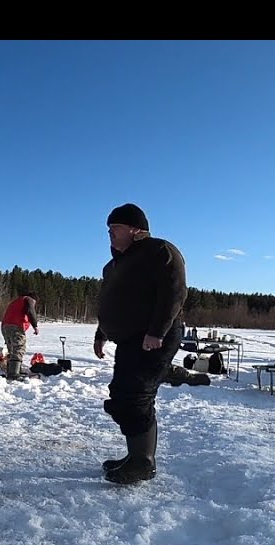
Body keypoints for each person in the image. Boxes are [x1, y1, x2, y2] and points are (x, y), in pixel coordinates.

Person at [92, 203, 187, 485]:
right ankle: (136, 456)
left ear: (135, 229)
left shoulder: (159, 251)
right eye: (108, 229)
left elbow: (174, 291)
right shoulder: (114, 265)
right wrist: (101, 333)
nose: (110, 234)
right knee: (122, 395)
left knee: (136, 395)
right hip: (129, 339)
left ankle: (143, 462)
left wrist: (157, 331)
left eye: (115, 228)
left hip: (155, 337)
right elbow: (110, 304)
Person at [0, 291, 40, 381]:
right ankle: (13, 374)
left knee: (12, 348)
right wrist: (35, 326)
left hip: (5, 326)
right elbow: (30, 311)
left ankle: (13, 370)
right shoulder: (29, 299)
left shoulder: (16, 301)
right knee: (19, 347)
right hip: (15, 326)